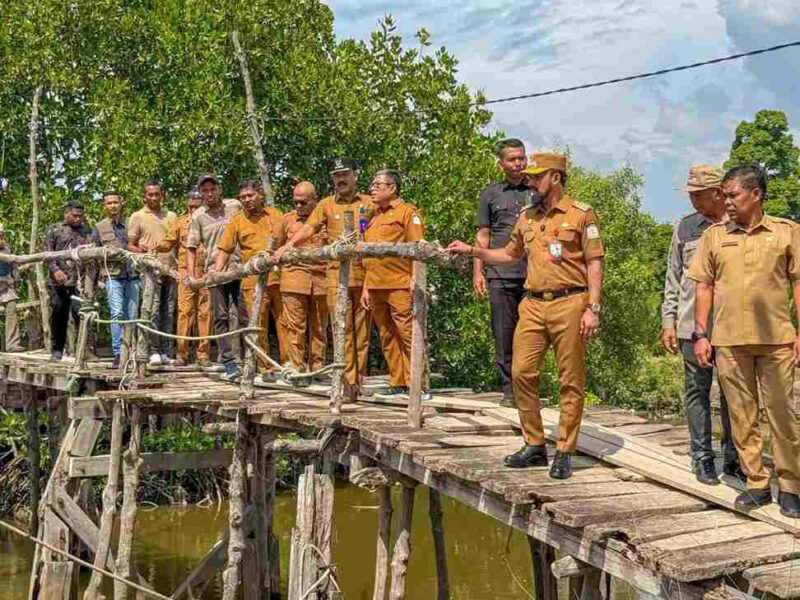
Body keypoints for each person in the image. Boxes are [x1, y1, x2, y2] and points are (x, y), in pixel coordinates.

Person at [447, 152, 604, 479]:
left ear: (556, 178)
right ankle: (534, 444)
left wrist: (593, 307)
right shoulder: (527, 216)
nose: (530, 181)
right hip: (532, 304)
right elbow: (507, 254)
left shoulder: (581, 215)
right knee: (520, 372)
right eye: (529, 176)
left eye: (537, 176)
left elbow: (594, 262)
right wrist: (473, 251)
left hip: (571, 303)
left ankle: (564, 448)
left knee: (570, 379)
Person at [688, 164, 800, 517]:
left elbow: (798, 284)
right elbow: (703, 285)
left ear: (756, 194)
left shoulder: (786, 232)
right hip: (730, 341)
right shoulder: (714, 236)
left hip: (777, 341)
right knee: (741, 414)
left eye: (733, 194)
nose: (728, 201)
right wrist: (701, 333)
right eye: (724, 195)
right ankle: (755, 482)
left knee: (783, 415)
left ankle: (790, 485)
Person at [661, 165, 742, 485]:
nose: (692, 199)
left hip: (733, 326)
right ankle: (702, 456)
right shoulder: (684, 227)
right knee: (697, 392)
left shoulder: (739, 225)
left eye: (698, 194)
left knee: (734, 393)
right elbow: (673, 277)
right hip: (690, 326)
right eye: (690, 194)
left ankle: (735, 456)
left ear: (718, 193)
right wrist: (668, 321)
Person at [272, 157, 374, 399]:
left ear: (355, 176)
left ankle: (355, 380)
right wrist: (288, 246)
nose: (340, 179)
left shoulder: (370, 204)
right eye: (336, 176)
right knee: (341, 330)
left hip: (363, 276)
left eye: (345, 174)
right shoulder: (326, 205)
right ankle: (345, 379)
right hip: (334, 277)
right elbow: (309, 228)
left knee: (361, 333)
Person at [360, 170, 429, 398]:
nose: (372, 189)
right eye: (372, 185)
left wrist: (414, 278)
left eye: (378, 185)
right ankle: (397, 381)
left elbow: (418, 247)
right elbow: (367, 257)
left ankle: (419, 384)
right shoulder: (374, 217)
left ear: (393, 188)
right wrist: (366, 287)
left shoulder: (407, 213)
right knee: (387, 335)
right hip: (376, 284)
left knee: (409, 333)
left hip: (400, 283)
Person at [474, 139, 530, 407]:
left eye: (521, 158)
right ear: (501, 164)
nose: (518, 163)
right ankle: (510, 391)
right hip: (500, 273)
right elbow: (483, 236)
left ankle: (529, 389)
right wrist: (478, 272)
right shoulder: (491, 194)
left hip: (535, 276)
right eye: (512, 159)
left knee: (532, 337)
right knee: (504, 335)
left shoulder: (538, 190)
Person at [213, 179, 283, 381]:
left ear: (260, 194)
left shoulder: (276, 215)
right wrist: (217, 272)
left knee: (286, 324)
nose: (247, 200)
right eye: (243, 197)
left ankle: (291, 367)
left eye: (250, 195)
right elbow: (224, 249)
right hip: (253, 281)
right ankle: (266, 367)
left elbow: (289, 239)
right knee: (256, 324)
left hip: (280, 278)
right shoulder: (237, 220)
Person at [187, 174, 243, 379]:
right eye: (204, 191)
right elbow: (191, 247)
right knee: (220, 318)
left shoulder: (235, 206)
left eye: (212, 189)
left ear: (219, 189)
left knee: (246, 316)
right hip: (214, 272)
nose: (209, 194)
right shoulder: (198, 216)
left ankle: (249, 360)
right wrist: (193, 277)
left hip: (240, 268)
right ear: (201, 194)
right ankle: (229, 363)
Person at [274, 181, 329, 377]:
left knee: (319, 327)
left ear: (315, 200)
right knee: (295, 326)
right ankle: (297, 367)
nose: (299, 207)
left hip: (322, 279)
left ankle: (318, 368)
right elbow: (274, 247)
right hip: (294, 279)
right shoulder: (286, 220)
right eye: (296, 202)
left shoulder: (325, 218)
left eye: (303, 202)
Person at [157, 190, 211, 366]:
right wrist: (152, 247)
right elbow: (168, 242)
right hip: (185, 272)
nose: (194, 207)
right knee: (184, 312)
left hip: (206, 271)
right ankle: (182, 353)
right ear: (187, 204)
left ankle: (203, 355)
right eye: (191, 204)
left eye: (197, 204)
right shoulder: (180, 221)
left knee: (205, 313)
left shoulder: (209, 218)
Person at [127, 178, 177, 365]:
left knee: (169, 311)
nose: (154, 197)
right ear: (144, 196)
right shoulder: (137, 216)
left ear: (162, 195)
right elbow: (130, 245)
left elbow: (176, 241)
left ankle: (165, 350)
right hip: (149, 270)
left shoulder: (171, 216)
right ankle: (153, 350)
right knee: (152, 309)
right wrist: (141, 251)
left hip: (170, 269)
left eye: (157, 194)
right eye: (150, 194)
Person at [91, 190, 139, 368]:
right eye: (109, 203)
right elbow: (93, 255)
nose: (113, 206)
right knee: (117, 313)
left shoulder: (131, 223)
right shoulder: (99, 227)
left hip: (133, 274)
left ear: (121, 203)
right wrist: (96, 280)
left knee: (132, 315)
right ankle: (119, 353)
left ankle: (132, 351)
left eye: (115, 202)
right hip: (113, 276)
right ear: (104, 206)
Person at [45, 199, 94, 361]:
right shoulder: (54, 230)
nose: (78, 219)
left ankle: (85, 350)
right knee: (59, 313)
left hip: (79, 281)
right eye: (74, 216)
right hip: (58, 281)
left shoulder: (87, 232)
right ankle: (57, 349)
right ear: (67, 214)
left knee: (82, 313)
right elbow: (47, 253)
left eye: (81, 216)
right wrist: (56, 270)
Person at [0, 223, 22, 352]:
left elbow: (14, 268)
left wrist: (16, 279)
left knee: (11, 310)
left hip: (5, 287)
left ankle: (12, 344)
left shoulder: (7, 251)